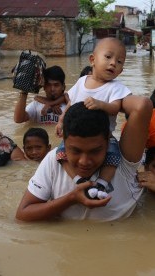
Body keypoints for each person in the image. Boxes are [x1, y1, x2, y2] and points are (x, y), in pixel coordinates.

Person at [16, 96, 153, 221]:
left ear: (109, 141)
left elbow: (142, 105)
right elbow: (23, 214)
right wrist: (71, 198)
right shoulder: (53, 159)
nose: (84, 161)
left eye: (95, 151)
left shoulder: (125, 158)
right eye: (75, 150)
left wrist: (107, 103)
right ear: (63, 141)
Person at [54, 37, 132, 199]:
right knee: (60, 154)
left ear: (121, 70)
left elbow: (115, 108)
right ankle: (78, 180)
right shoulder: (82, 81)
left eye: (119, 61)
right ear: (92, 60)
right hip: (76, 136)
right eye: (108, 57)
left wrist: (100, 104)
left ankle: (102, 183)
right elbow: (70, 104)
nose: (113, 63)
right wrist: (61, 120)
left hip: (104, 137)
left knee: (113, 156)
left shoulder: (116, 87)